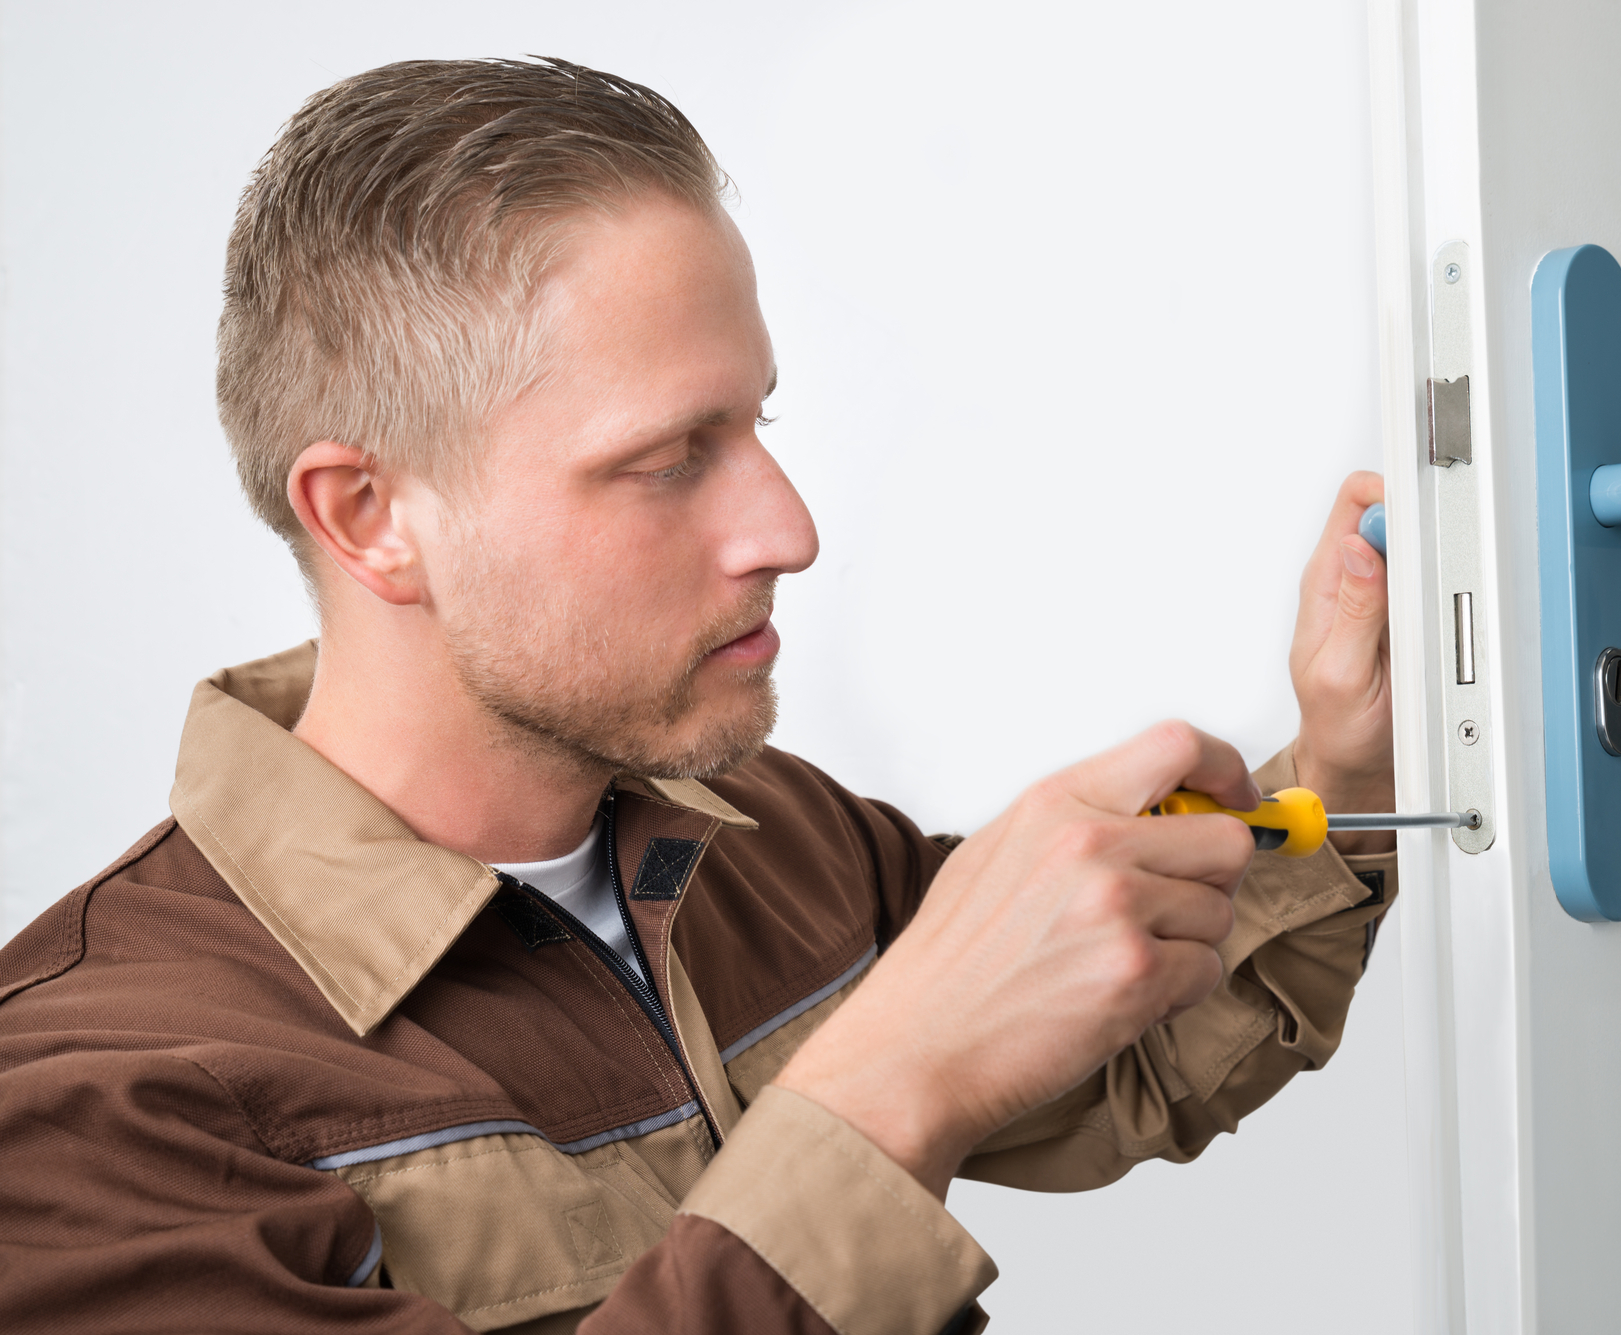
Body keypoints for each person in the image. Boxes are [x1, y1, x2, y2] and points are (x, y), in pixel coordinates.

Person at [0, 57, 1396, 1335]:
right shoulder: (90, 1111)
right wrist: (889, 1083)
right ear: (370, 516)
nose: (787, 529)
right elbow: (928, 1066)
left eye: (756, 425)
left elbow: (1111, 1060)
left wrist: (1346, 768)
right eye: (669, 457)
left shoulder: (761, 831)